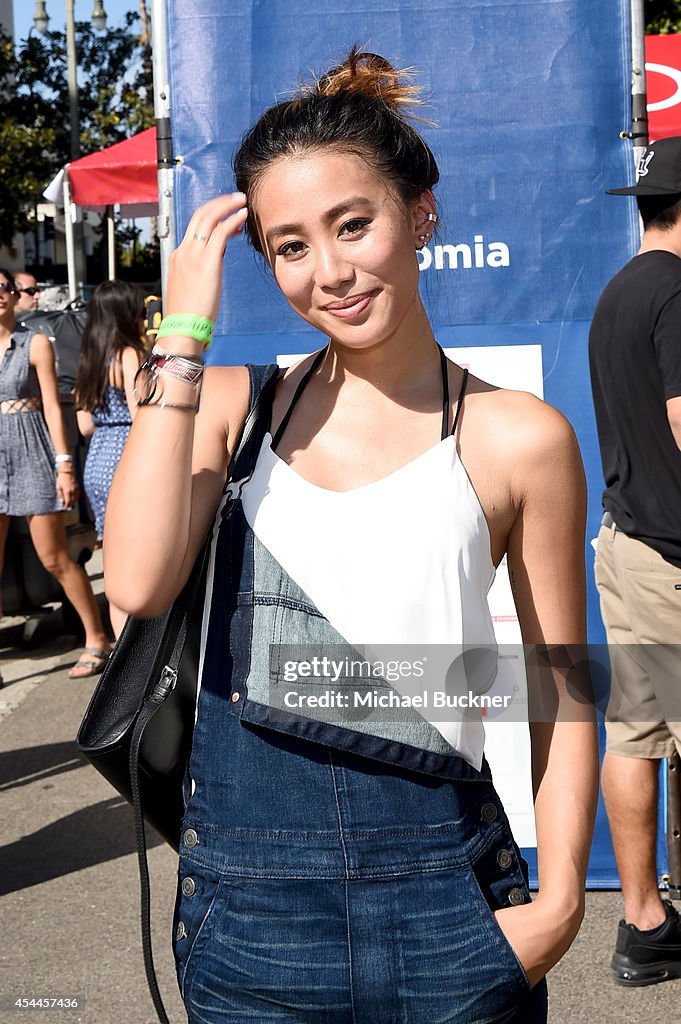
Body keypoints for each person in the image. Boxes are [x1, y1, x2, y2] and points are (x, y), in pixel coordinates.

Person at [106, 51, 598, 1022]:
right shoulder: (235, 408)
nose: (327, 271)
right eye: (289, 245)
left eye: (352, 225)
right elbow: (137, 580)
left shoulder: (518, 438)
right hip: (250, 926)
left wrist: (562, 902)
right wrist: (184, 336)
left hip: (452, 903)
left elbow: (563, 678)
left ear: (421, 213)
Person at [590, 135, 681, 986]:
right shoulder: (678, 294)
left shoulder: (620, 291)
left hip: (627, 545)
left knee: (637, 736)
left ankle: (643, 922)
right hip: (672, 562)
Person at [0, 269, 110, 679]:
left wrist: (64, 465)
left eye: (4, 287)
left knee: (53, 557)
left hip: (30, 450)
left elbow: (51, 406)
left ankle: (97, 637)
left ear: (14, 295)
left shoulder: (35, 343)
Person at [75, 280, 146, 639]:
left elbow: (84, 424)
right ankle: (136, 641)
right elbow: (141, 415)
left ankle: (119, 639)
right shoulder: (129, 354)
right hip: (126, 452)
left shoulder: (90, 358)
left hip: (98, 457)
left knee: (111, 554)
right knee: (137, 551)